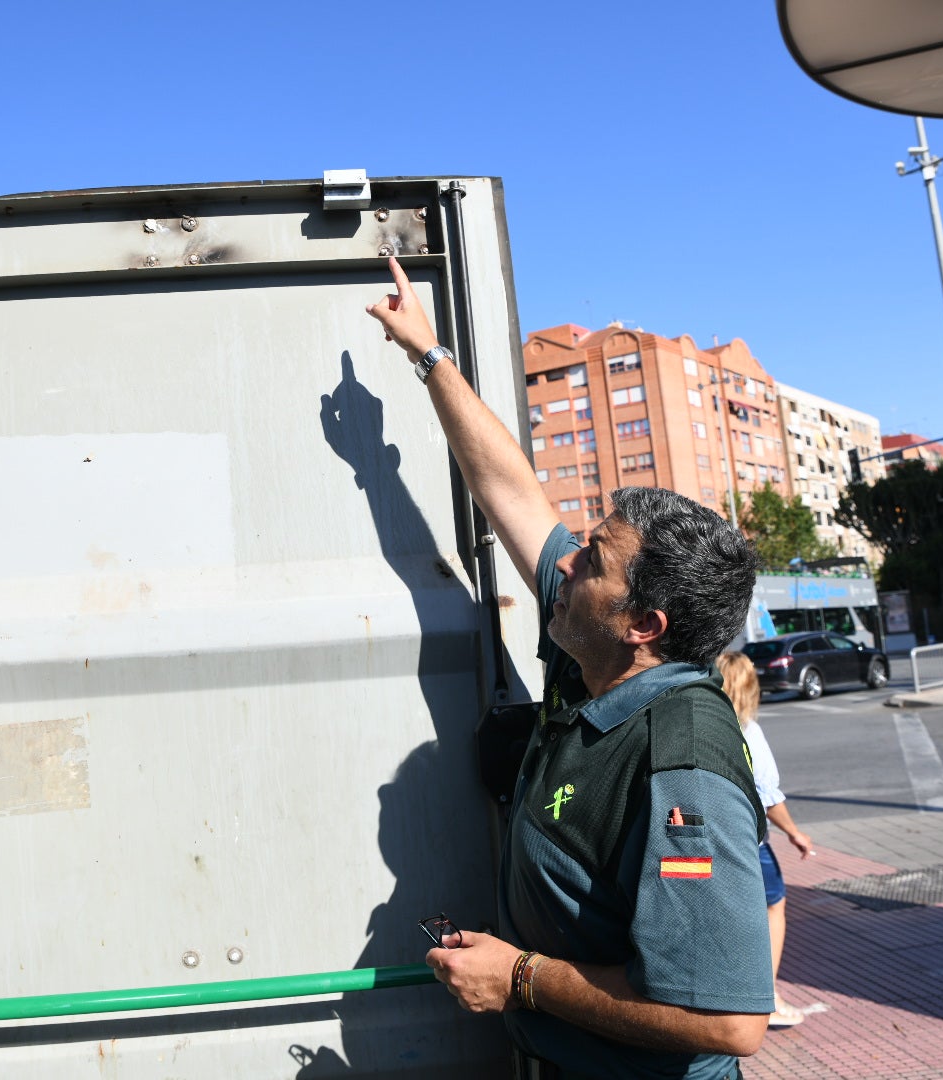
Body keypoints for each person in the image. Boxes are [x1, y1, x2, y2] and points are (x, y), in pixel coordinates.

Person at [366, 258, 772, 1079]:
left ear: (643, 626)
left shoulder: (680, 756)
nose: (569, 558)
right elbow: (509, 490)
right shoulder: (597, 651)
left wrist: (521, 978)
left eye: (594, 556)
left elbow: (728, 1021)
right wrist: (428, 355)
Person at [716, 651, 816, 1029]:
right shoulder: (748, 730)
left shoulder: (701, 722)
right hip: (748, 843)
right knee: (774, 905)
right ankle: (767, 996)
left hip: (712, 841)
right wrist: (795, 833)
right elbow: (767, 795)